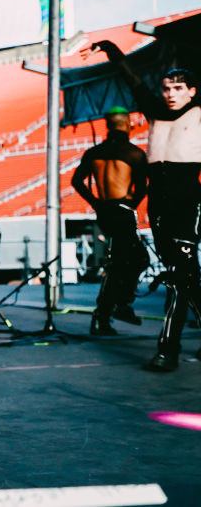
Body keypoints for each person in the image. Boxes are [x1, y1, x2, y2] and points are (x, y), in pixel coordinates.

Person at [89, 40, 201, 371]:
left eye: (178, 88)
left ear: (192, 91)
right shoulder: (153, 111)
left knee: (180, 279)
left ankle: (168, 350)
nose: (170, 93)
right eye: (167, 87)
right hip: (158, 207)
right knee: (187, 278)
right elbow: (132, 81)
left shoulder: (198, 113)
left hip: (185, 203)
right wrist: (113, 53)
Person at [70, 106, 149, 336]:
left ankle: (106, 315)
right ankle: (119, 306)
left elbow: (77, 181)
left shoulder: (94, 153)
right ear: (126, 124)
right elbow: (143, 187)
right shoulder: (134, 153)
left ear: (108, 125)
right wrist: (131, 204)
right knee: (137, 259)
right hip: (122, 210)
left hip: (103, 212)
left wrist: (96, 203)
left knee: (119, 264)